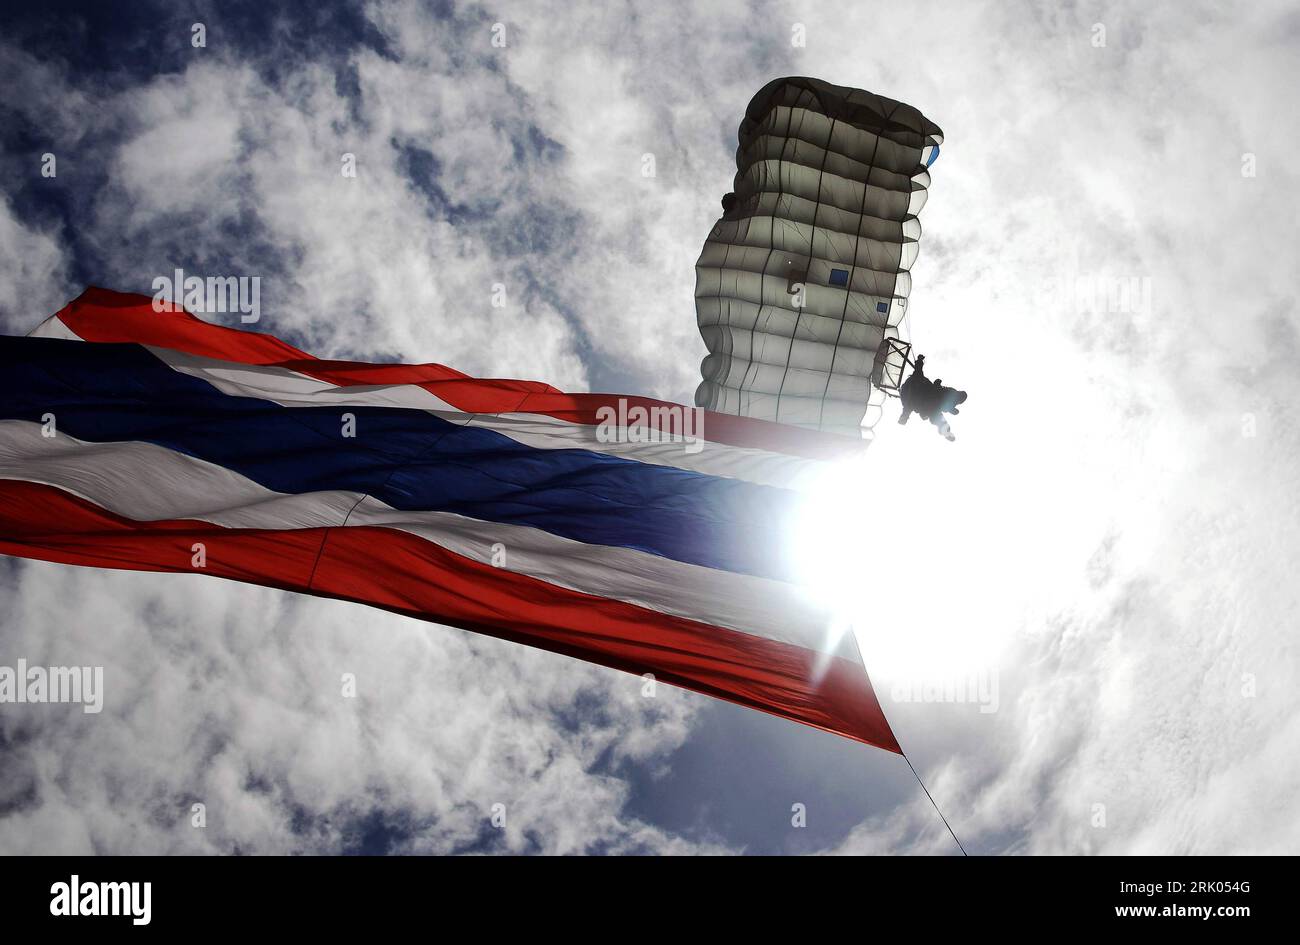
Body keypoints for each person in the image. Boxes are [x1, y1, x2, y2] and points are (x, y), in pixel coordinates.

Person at [898, 354, 967, 441]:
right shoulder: (952, 395)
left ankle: (905, 414)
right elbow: (941, 393)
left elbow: (941, 394)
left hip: (920, 396)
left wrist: (936, 384)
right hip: (921, 396)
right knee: (919, 381)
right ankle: (905, 414)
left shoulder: (952, 396)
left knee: (918, 379)